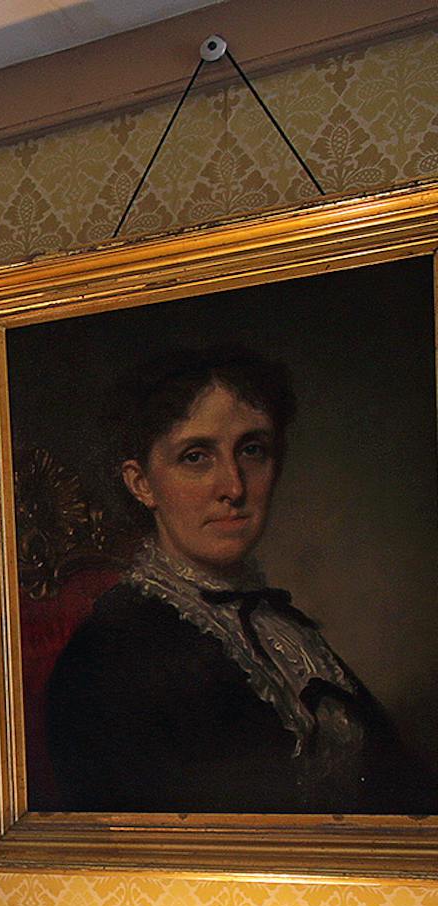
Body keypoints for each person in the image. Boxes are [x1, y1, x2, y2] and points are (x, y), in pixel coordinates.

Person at [44, 344, 436, 814]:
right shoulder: (107, 656)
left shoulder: (281, 626)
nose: (233, 486)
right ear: (141, 482)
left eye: (252, 450)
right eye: (196, 456)